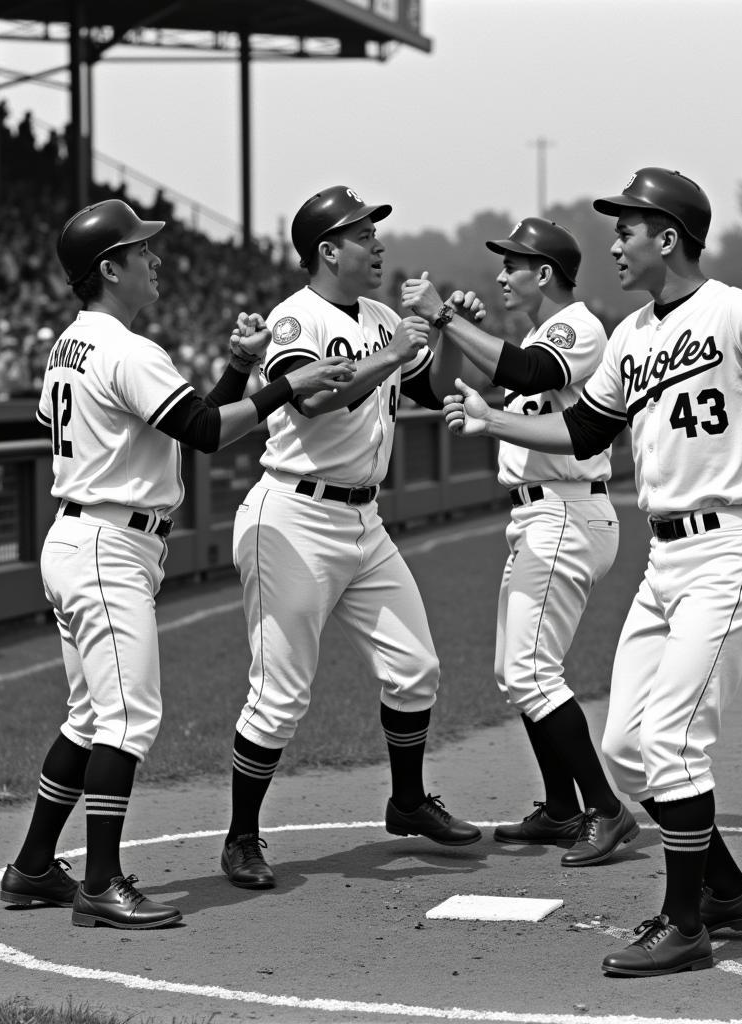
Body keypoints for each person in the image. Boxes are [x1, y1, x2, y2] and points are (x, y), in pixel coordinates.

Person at [443, 167, 742, 977]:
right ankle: (729, 890)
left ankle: (684, 919)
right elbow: (588, 427)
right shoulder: (630, 334)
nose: (615, 244)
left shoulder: (735, 311)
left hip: (730, 547)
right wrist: (493, 417)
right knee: (628, 749)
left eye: (627, 229)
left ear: (668, 237)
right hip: (665, 556)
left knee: (673, 739)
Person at [0, 198, 354, 930]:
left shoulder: (71, 344)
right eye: (141, 252)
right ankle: (100, 881)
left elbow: (185, 429)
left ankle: (34, 866)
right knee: (128, 719)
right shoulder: (129, 350)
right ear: (109, 268)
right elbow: (199, 430)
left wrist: (237, 373)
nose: (155, 261)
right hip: (106, 542)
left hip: (81, 537)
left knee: (90, 716)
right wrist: (282, 385)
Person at [221, 185, 482, 891]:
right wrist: (395, 351)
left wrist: (445, 329)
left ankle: (407, 799)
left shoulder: (380, 316)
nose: (379, 246)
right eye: (364, 236)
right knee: (279, 695)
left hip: (364, 519)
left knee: (415, 668)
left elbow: (435, 392)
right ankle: (241, 838)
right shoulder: (292, 319)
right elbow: (308, 401)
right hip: (294, 518)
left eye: (376, 234)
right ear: (327, 250)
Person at [400, 218, 638, 867]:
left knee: (534, 672)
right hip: (540, 517)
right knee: (517, 673)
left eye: (514, 264)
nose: (503, 274)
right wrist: (454, 335)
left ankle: (607, 811)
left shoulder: (578, 327)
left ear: (546, 272)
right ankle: (563, 808)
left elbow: (531, 371)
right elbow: (466, 390)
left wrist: (446, 319)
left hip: (565, 511)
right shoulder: (537, 333)